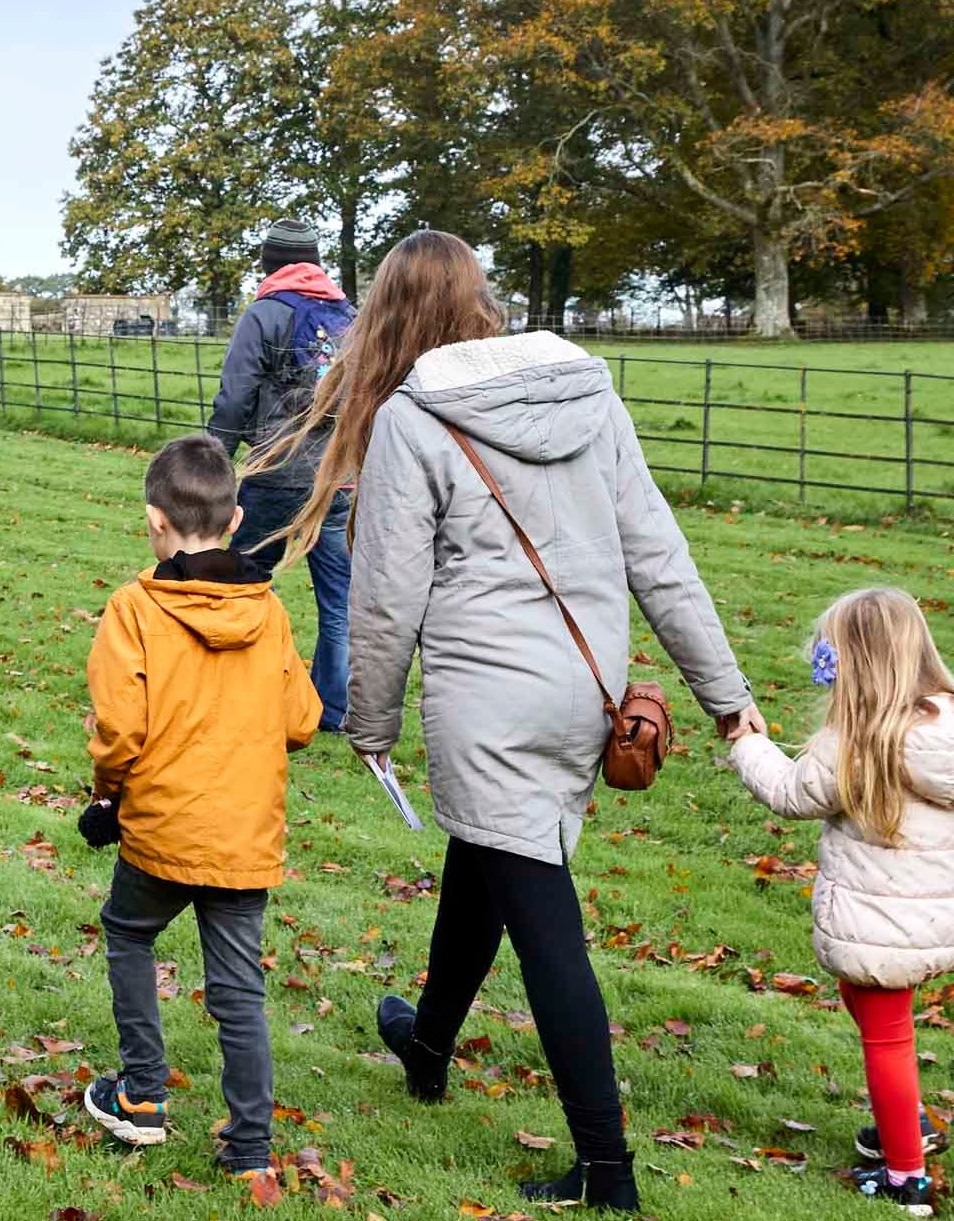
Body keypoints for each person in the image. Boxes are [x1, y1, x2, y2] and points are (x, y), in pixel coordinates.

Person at [300, 230, 758, 1212]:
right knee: (487, 857)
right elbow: (661, 558)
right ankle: (427, 1044)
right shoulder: (585, 395)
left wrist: (369, 721)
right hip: (585, 692)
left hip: (488, 703)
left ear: (388, 315)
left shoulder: (413, 422)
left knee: (547, 928)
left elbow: (385, 602)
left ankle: (608, 1171)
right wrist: (727, 697)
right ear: (480, 300)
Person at [728, 589, 954, 1216]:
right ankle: (906, 1120)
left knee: (885, 1036)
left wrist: (745, 742)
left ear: (854, 662)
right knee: (863, 999)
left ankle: (905, 1178)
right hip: (946, 914)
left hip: (881, 918)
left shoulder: (859, 741)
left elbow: (790, 793)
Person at [79, 435, 322, 1177]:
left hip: (162, 828)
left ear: (154, 522)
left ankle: (143, 1096)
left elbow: (121, 729)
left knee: (127, 931)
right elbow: (302, 719)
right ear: (237, 518)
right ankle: (250, 1147)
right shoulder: (269, 613)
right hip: (244, 839)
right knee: (239, 990)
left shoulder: (134, 610)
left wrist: (105, 796)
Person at [212, 220, 355, 730]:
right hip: (340, 476)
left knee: (239, 583)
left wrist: (215, 462)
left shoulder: (265, 314)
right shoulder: (349, 318)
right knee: (339, 602)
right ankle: (334, 712)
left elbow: (235, 395)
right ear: (315, 264)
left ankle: (237, 690)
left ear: (270, 263)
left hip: (277, 471)